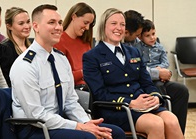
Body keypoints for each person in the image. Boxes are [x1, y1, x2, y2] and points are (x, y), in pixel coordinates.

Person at [9, 4, 125, 139]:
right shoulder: (25, 65)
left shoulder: (60, 59)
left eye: (59, 22)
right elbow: (36, 115)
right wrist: (78, 126)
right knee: (88, 138)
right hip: (35, 128)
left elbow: (70, 101)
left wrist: (86, 122)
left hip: (60, 122)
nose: (58, 27)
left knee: (115, 133)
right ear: (36, 26)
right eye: (51, 23)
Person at [83, 8, 184, 139]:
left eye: (122, 24)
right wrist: (130, 103)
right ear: (103, 26)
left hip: (143, 105)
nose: (118, 28)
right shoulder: (92, 56)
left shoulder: (133, 52)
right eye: (114, 23)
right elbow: (99, 94)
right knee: (156, 124)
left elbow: (147, 83)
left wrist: (155, 97)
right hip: (116, 109)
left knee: (172, 120)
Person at [135, 19, 189, 134]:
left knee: (181, 90)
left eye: (153, 34)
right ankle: (162, 114)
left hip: (159, 76)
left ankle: (176, 132)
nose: (152, 38)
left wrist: (161, 70)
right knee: (158, 86)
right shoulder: (137, 48)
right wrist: (156, 72)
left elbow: (165, 63)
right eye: (147, 35)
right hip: (147, 79)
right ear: (140, 37)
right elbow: (140, 67)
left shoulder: (159, 47)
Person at [54, 2, 95, 110]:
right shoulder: (59, 42)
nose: (87, 28)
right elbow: (60, 78)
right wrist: (83, 72)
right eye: (85, 22)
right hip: (74, 90)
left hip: (90, 86)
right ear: (74, 17)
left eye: (90, 24)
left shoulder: (85, 42)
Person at [0, 7, 31, 87]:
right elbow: (5, 81)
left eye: (28, 22)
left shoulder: (33, 46)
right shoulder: (3, 49)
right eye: (21, 23)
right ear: (9, 26)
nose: (27, 26)